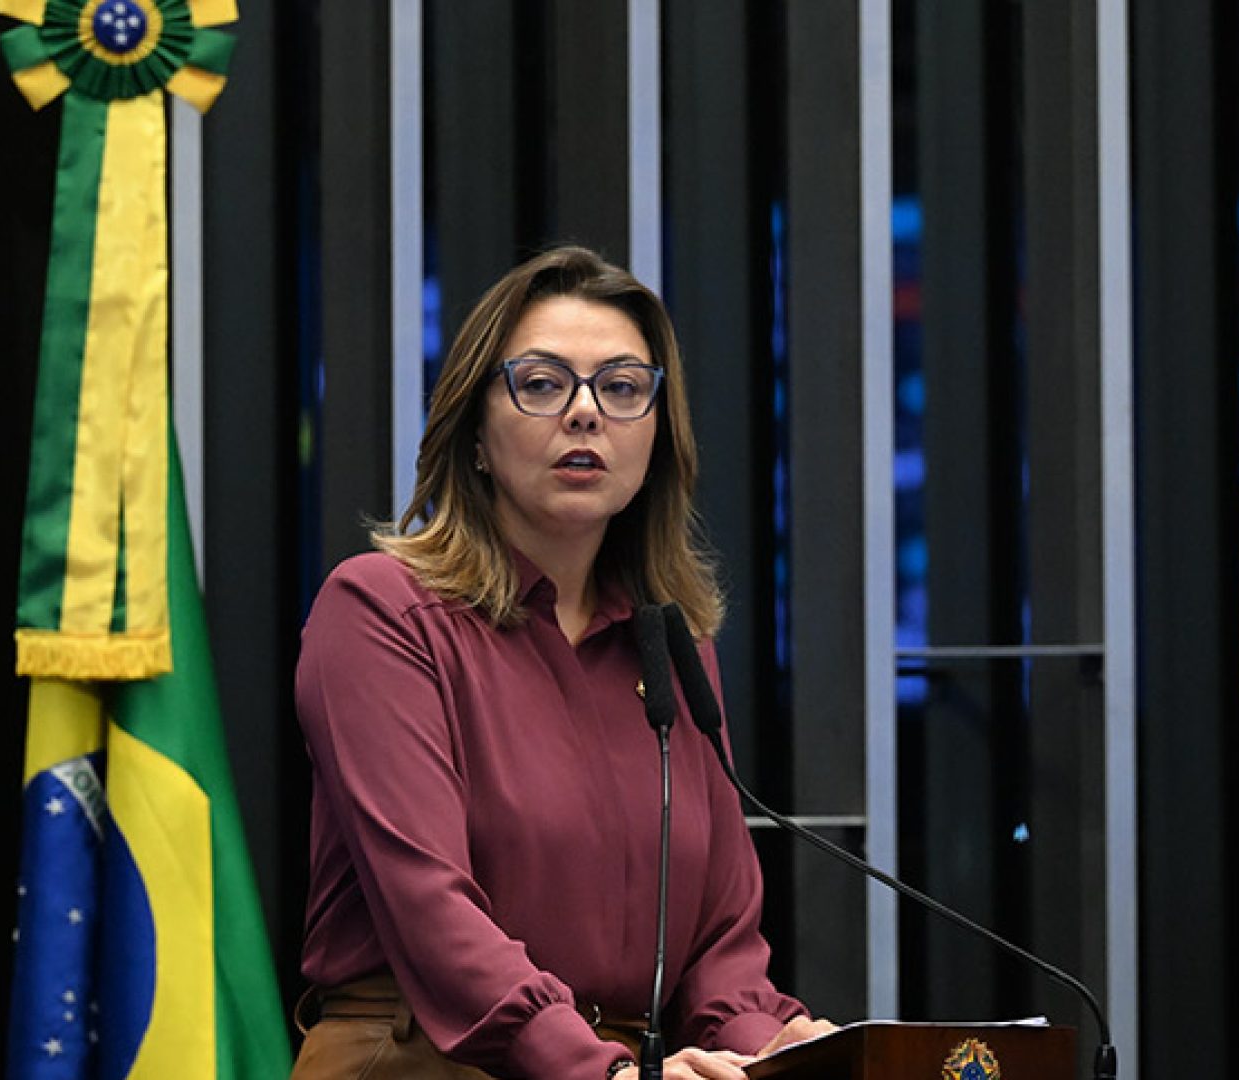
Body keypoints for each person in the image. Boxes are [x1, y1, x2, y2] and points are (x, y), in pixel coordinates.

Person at [292, 246, 833, 1080]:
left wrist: (766, 1042)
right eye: (542, 384)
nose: (585, 414)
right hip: (424, 1060)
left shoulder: (671, 641)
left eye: (621, 388)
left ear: (658, 433)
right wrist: (595, 1069)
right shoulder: (382, 612)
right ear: (473, 429)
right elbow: (432, 912)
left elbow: (722, 936)